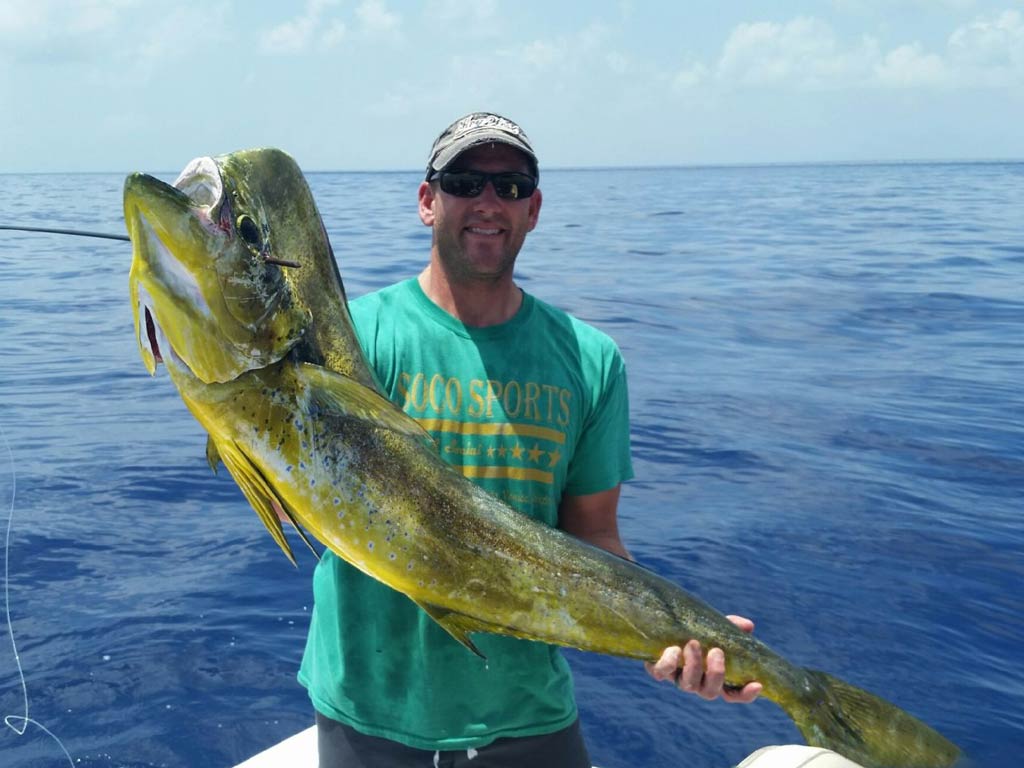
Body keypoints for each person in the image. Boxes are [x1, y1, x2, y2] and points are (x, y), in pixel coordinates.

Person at [298, 112, 762, 768]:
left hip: (529, 718)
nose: (489, 202)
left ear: (534, 209)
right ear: (428, 201)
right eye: (465, 181)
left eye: (511, 186)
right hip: (369, 715)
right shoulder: (352, 340)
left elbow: (594, 536)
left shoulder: (591, 359)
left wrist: (682, 638)